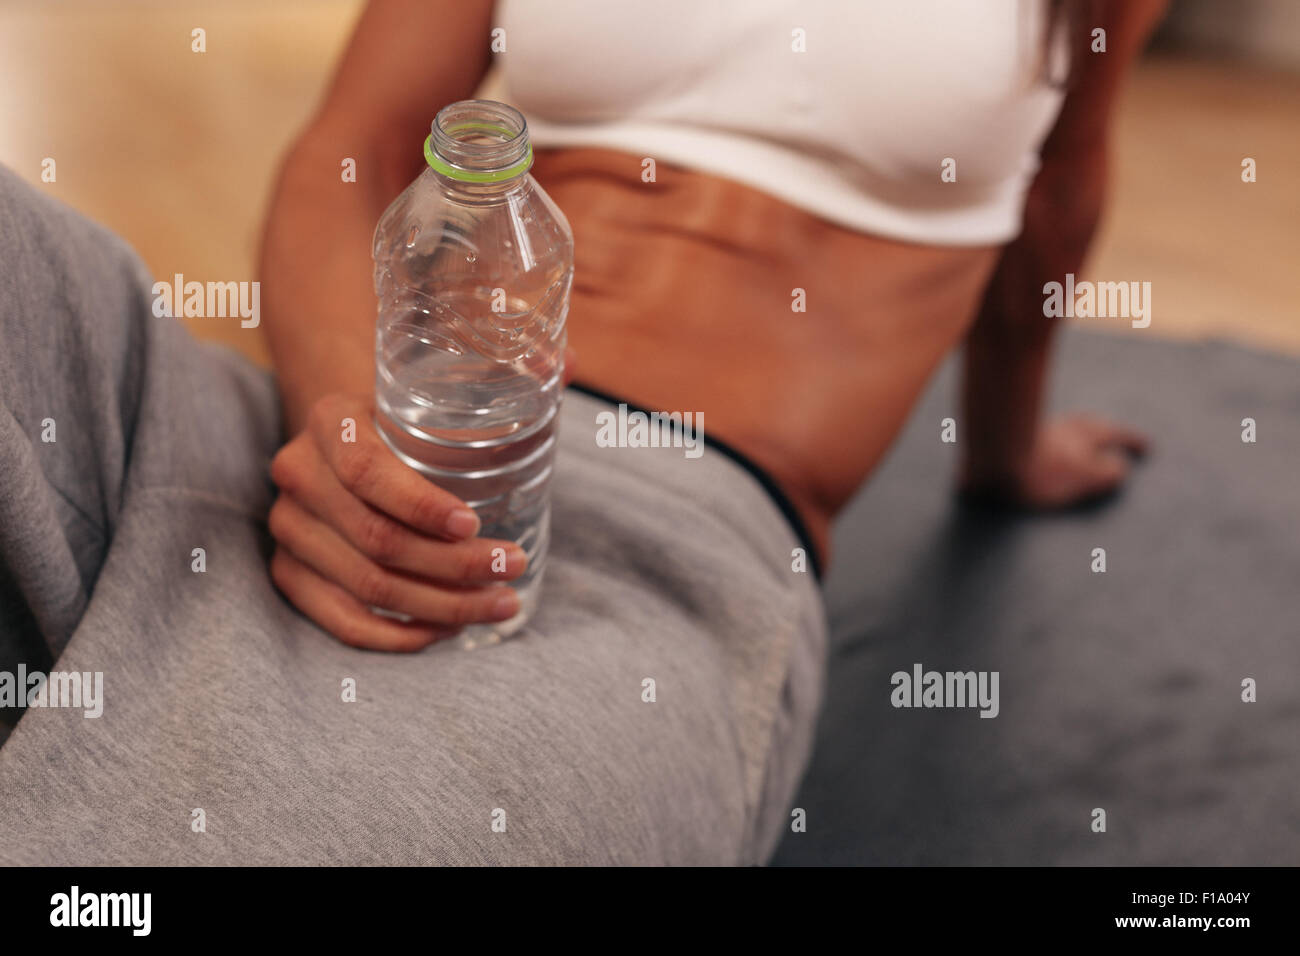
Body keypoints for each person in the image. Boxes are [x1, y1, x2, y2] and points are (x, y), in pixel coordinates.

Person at [0, 0, 1164, 865]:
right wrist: (353, 444)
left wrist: (1006, 454)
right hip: (353, 415)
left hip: (662, 543)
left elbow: (1053, 210)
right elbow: (346, 152)